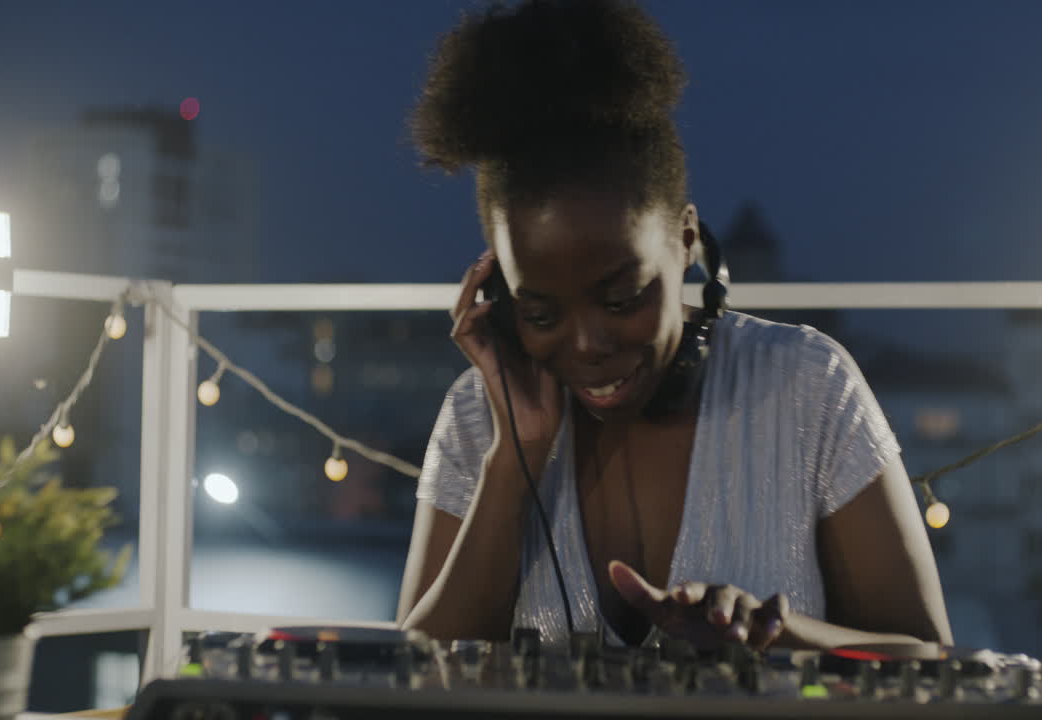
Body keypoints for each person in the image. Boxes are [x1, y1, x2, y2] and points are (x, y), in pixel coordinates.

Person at [397, 0, 951, 651]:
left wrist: (776, 637)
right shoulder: (475, 418)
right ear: (498, 294)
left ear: (687, 241)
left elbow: (929, 661)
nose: (587, 345)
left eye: (622, 297)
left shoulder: (808, 385)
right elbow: (415, 672)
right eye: (541, 313)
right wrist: (513, 461)